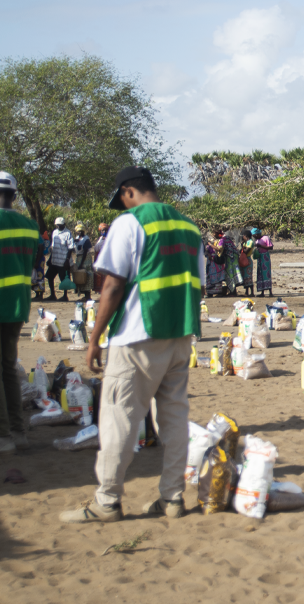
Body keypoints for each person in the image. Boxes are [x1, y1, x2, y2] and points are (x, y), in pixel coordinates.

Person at [60, 166, 205, 523]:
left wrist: (94, 339)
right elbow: (199, 283)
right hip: (180, 336)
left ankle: (107, 502)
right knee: (173, 419)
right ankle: (172, 498)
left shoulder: (130, 223)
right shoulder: (189, 227)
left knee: (119, 418)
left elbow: (111, 286)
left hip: (138, 336)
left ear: (128, 192)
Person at [0, 171, 37, 453]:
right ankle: (19, 432)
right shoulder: (29, 227)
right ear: (15, 196)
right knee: (9, 370)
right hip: (18, 306)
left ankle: (3, 438)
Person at [47, 216, 74, 301]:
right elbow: (53, 246)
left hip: (63, 261)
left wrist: (67, 260)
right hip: (54, 260)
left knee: (64, 279)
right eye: (57, 225)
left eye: (60, 225)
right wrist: (50, 258)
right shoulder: (54, 232)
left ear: (64, 225)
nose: (58, 226)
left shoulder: (68, 233)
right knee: (49, 277)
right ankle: (52, 295)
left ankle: (65, 296)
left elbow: (70, 247)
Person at [73, 224, 94, 300]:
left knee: (86, 275)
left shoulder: (86, 239)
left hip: (85, 259)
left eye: (80, 231)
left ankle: (88, 296)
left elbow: (85, 252)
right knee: (81, 276)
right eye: (78, 231)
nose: (79, 233)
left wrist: (81, 263)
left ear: (83, 231)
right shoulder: (77, 238)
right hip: (79, 258)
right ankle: (84, 295)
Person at [252, 227, 273, 298]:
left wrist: (261, 246)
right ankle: (262, 292)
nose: (254, 237)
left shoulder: (265, 238)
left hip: (265, 257)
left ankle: (270, 292)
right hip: (260, 258)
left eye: (254, 235)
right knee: (260, 273)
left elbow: (271, 247)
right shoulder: (257, 240)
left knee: (266, 273)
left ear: (258, 234)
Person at [238, 229, 255, 297]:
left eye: (243, 236)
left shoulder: (250, 242)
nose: (243, 237)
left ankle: (252, 292)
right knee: (245, 277)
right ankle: (247, 292)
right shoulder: (246, 242)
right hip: (244, 260)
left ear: (246, 236)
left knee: (248, 277)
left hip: (247, 260)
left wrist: (242, 244)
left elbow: (246, 251)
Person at [93, 222, 109, 295]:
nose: (104, 232)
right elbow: (96, 248)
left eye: (105, 230)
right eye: (102, 230)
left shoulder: (109, 239)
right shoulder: (100, 239)